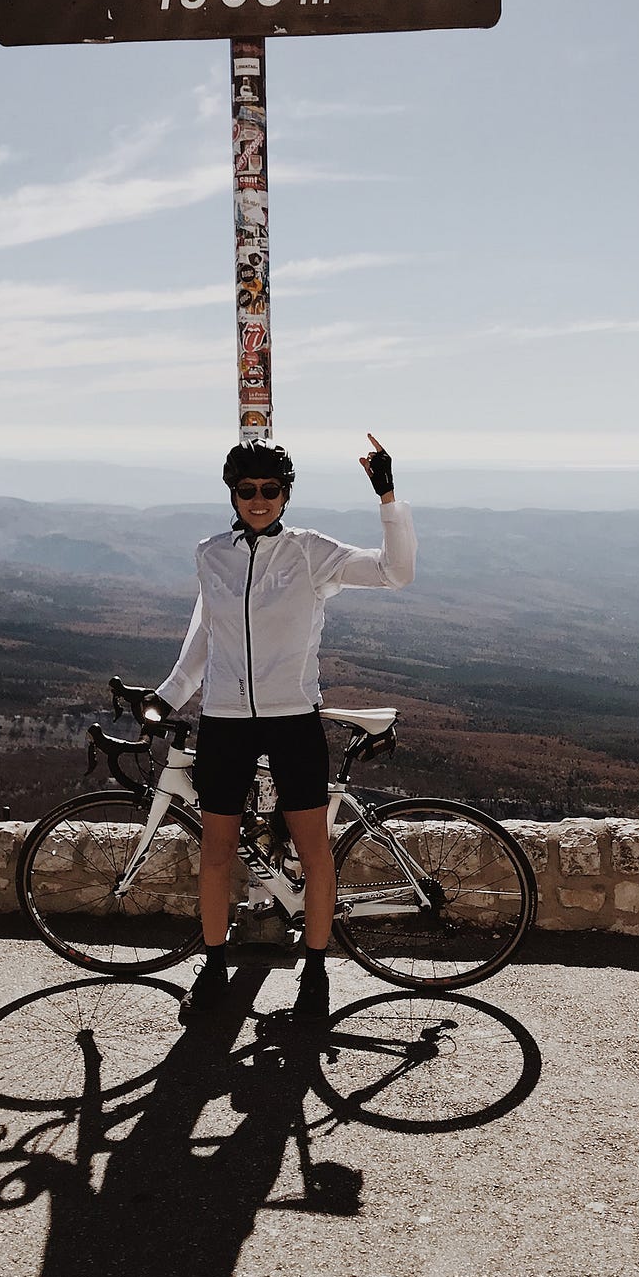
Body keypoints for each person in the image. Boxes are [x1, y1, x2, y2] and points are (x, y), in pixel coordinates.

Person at [145, 436, 415, 1021]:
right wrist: (167, 698)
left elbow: (398, 573)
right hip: (224, 720)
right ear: (233, 495)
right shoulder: (210, 553)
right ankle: (214, 966)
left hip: (292, 719)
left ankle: (315, 971)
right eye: (247, 491)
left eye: (270, 490)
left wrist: (387, 496)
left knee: (316, 853)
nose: (259, 500)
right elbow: (204, 637)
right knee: (216, 854)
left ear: (286, 494)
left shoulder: (310, 553)